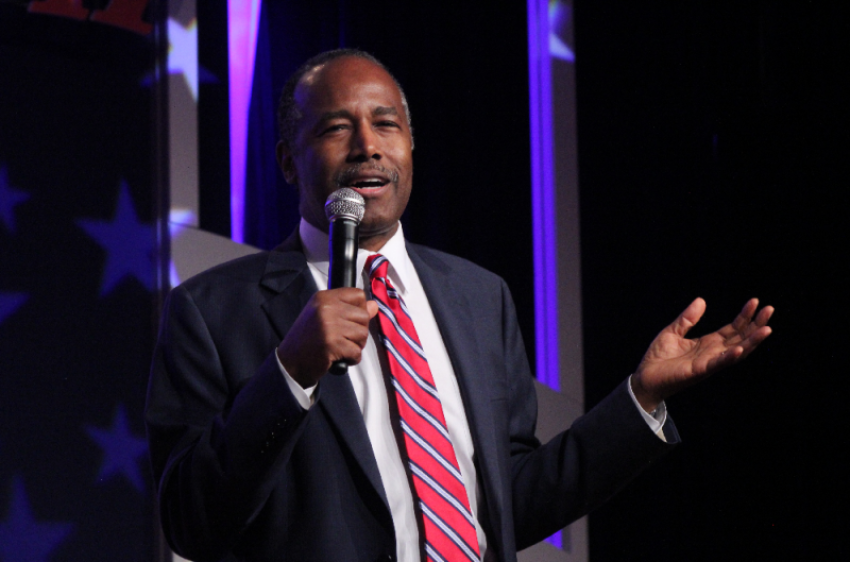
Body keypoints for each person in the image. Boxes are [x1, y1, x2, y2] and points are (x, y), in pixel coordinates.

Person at [145, 49, 773, 562]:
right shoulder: (210, 311)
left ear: (411, 149)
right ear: (288, 161)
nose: (368, 145)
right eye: (337, 127)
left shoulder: (478, 296)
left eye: (386, 124)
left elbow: (510, 501)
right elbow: (191, 521)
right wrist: (290, 373)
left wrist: (640, 399)